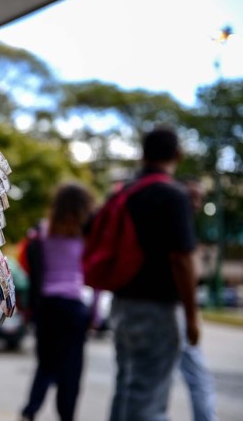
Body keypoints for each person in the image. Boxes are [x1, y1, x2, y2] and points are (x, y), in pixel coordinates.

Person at [108, 127, 199, 421]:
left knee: (126, 387)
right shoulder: (173, 195)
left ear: (143, 154)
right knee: (148, 399)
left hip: (121, 305)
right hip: (156, 308)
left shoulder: (126, 192)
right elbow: (182, 261)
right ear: (178, 155)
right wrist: (192, 316)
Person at [19, 182, 95, 421]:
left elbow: (30, 268)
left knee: (45, 364)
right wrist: (94, 314)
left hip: (46, 306)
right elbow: (95, 278)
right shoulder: (86, 235)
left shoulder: (42, 231)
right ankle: (66, 416)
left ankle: (30, 410)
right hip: (73, 308)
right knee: (71, 371)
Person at [177, 177, 218, 421]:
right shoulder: (178, 227)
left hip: (171, 312)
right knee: (199, 378)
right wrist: (192, 319)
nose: (196, 203)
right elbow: (185, 273)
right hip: (174, 313)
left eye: (200, 198)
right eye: (191, 196)